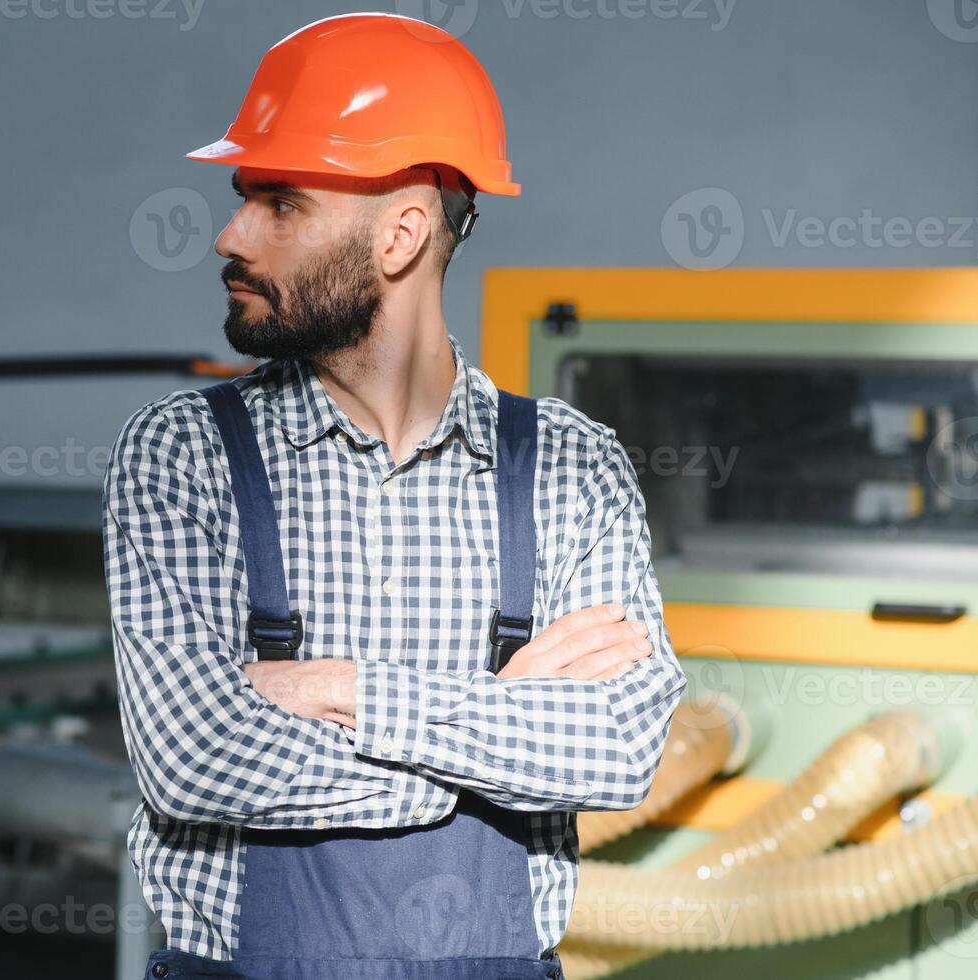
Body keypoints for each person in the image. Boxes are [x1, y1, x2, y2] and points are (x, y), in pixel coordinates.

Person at [102, 12, 688, 979]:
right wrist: (496, 730)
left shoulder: (572, 466)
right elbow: (193, 756)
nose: (229, 233)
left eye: (278, 202)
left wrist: (340, 690)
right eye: (244, 196)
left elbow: (618, 753)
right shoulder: (181, 455)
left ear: (401, 233)